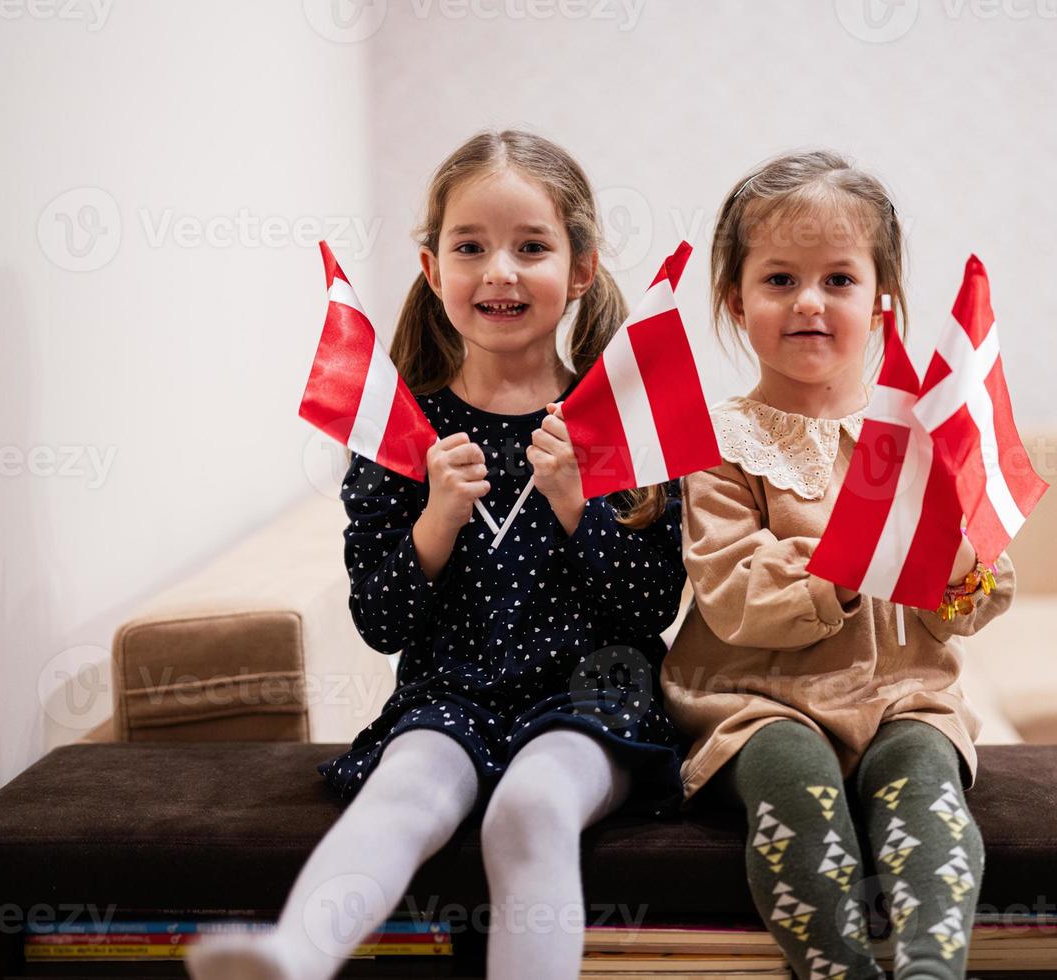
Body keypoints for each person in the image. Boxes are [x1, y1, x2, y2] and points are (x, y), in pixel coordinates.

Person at [188, 129, 687, 980]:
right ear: (432, 270)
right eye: (471, 247)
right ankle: (295, 955)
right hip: (450, 694)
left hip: (594, 700)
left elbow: (651, 610)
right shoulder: (400, 436)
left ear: (579, 271)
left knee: (530, 807)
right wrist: (437, 520)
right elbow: (379, 623)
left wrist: (577, 507)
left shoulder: (618, 423)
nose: (499, 269)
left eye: (531, 246)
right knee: (405, 787)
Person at [660, 149, 1016, 980]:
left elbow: (970, 596)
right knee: (793, 780)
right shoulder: (717, 446)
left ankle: (931, 968)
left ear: (881, 301)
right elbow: (733, 595)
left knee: (927, 778)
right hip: (758, 699)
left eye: (839, 280)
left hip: (901, 692)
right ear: (735, 302)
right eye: (779, 279)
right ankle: (837, 968)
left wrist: (955, 559)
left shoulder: (923, 436)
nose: (809, 302)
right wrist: (850, 560)